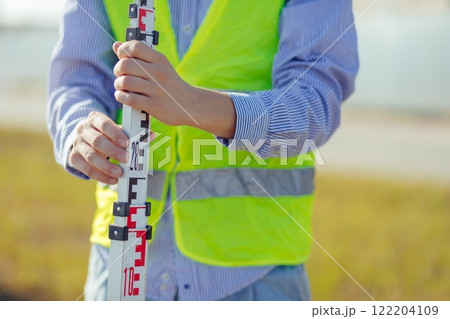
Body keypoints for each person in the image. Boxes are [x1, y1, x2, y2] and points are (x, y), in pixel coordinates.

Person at [47, 0, 358, 301]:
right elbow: (76, 82)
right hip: (117, 265)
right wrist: (79, 129)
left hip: (256, 280)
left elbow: (315, 102)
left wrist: (194, 105)